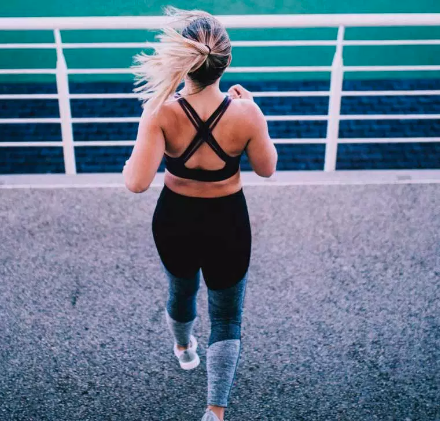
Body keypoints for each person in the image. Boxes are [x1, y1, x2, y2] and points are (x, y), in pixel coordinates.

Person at [122, 7, 277, 421]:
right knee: (226, 316)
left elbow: (136, 182)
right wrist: (254, 112)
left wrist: (136, 149)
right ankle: (215, 410)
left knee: (182, 290)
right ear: (226, 61)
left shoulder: (160, 111)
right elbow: (267, 168)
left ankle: (184, 348)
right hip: (227, 220)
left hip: (176, 218)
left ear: (182, 61)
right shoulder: (246, 113)